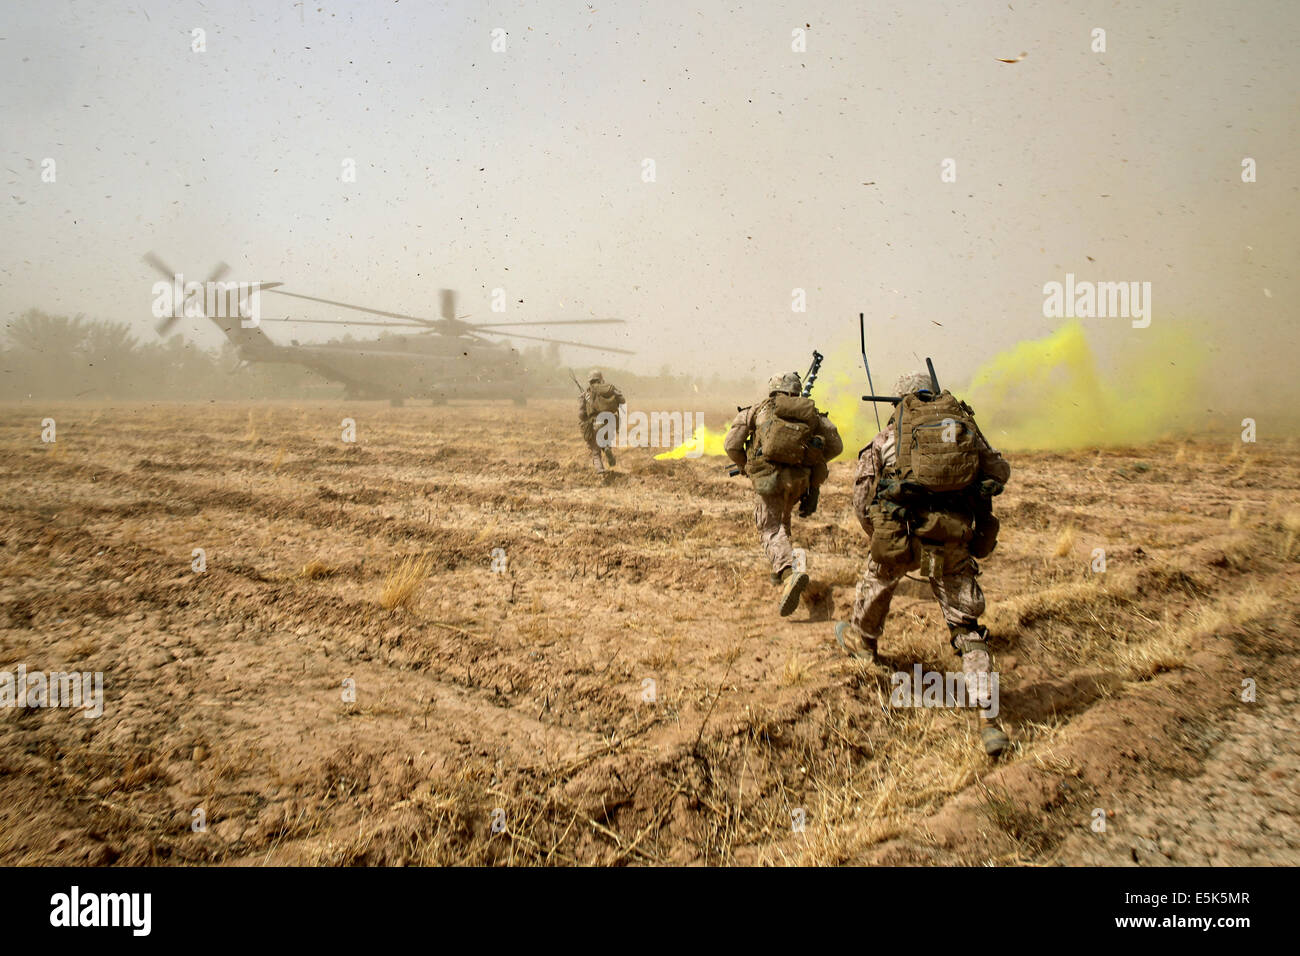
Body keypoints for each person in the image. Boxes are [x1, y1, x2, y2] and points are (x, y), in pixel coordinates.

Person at [835, 370, 1012, 756]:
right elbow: (998, 473)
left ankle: (864, 644)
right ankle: (988, 718)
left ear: (899, 402)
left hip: (902, 537)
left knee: (877, 578)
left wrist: (880, 535)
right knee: (967, 628)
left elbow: (862, 500)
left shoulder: (888, 437)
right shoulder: (964, 429)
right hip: (952, 539)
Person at [724, 371, 842, 616]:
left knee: (769, 528)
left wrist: (746, 465)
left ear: (773, 388)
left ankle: (789, 572)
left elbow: (731, 445)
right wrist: (809, 462)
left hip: (770, 479)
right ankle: (780, 572)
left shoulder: (758, 410)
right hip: (800, 481)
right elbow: (836, 446)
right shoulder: (812, 414)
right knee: (782, 522)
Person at [577, 369, 624, 474]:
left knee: (595, 452)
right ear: (601, 379)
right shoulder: (608, 390)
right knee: (605, 440)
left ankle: (600, 471)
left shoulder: (585, 394)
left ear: (590, 381)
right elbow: (622, 400)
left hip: (594, 424)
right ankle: (607, 448)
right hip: (609, 422)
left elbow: (581, 415)